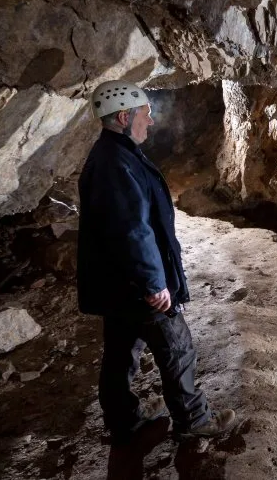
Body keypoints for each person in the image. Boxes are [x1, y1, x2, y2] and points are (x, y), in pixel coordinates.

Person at [77, 80, 235, 444]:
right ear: (123, 117)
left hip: (117, 285)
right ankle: (193, 420)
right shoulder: (116, 163)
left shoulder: (113, 154)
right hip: (136, 285)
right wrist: (154, 283)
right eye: (145, 114)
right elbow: (132, 231)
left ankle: (124, 419)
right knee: (177, 346)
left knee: (120, 352)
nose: (150, 121)